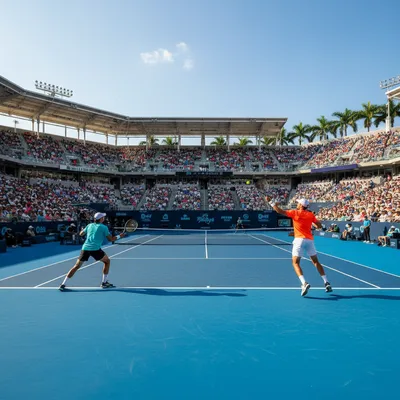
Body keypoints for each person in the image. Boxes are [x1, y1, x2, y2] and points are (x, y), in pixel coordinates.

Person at [265, 196, 333, 296]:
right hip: (309, 240)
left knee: (295, 263)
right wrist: (312, 225)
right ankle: (326, 282)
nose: (297, 204)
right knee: (316, 262)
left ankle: (304, 283)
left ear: (301, 205)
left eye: (298, 203)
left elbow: (278, 210)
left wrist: (271, 202)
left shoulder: (295, 212)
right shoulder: (310, 215)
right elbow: (319, 225)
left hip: (299, 240)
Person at [59, 212, 125, 291]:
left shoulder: (89, 225)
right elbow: (110, 239)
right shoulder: (104, 227)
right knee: (107, 261)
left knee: (76, 266)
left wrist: (82, 230)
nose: (104, 218)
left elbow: (81, 234)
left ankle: (63, 284)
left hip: (85, 248)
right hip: (95, 249)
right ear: (100, 219)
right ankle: (104, 283)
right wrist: (119, 236)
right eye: (103, 217)